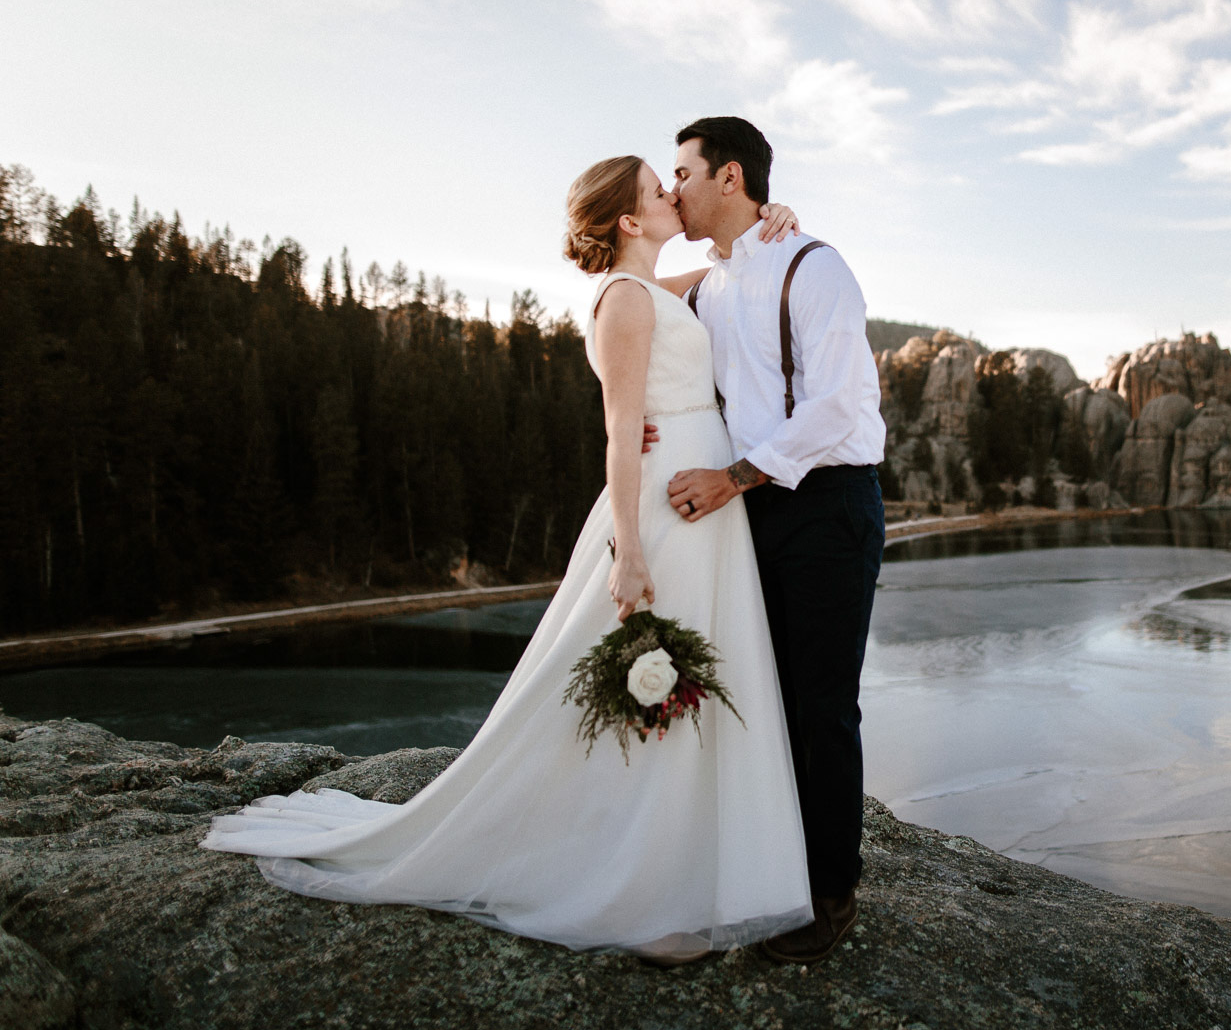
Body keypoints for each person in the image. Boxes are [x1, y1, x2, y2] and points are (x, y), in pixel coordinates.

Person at [201, 157, 814, 965]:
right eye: (658, 192)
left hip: (702, 506)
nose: (674, 195)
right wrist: (628, 550)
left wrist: (772, 226)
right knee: (651, 685)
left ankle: (678, 873)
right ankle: (642, 894)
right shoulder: (626, 300)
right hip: (666, 512)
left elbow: (725, 276)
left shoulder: (650, 292)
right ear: (630, 222)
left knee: (684, 684)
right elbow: (620, 432)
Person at [657, 116, 886, 965]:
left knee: (820, 708)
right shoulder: (709, 286)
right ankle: (761, 876)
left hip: (827, 505)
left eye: (683, 172)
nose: (672, 187)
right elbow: (634, 296)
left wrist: (735, 478)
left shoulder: (815, 264)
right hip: (745, 508)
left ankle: (828, 899)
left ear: (729, 177)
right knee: (751, 698)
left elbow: (835, 406)